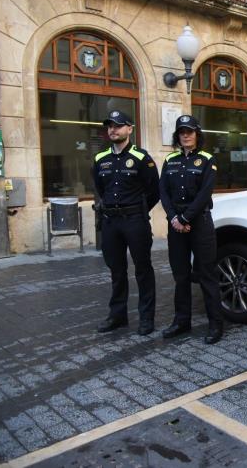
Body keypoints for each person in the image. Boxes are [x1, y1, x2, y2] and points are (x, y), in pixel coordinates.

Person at [93, 110, 159, 336]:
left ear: (130, 129)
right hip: (111, 222)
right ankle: (117, 316)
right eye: (110, 125)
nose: (113, 129)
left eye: (119, 125)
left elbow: (154, 191)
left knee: (143, 269)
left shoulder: (142, 158)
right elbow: (100, 189)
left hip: (135, 221)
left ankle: (146, 318)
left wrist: (137, 211)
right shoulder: (100, 159)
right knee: (116, 270)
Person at [160, 115, 224, 344]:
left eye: (189, 131)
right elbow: (163, 192)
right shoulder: (170, 160)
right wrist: (174, 218)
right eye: (181, 132)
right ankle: (181, 321)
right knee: (181, 275)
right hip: (176, 224)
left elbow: (205, 193)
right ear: (177, 136)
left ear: (197, 134)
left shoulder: (207, 159)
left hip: (200, 224)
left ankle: (215, 324)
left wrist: (186, 217)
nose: (185, 135)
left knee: (207, 275)